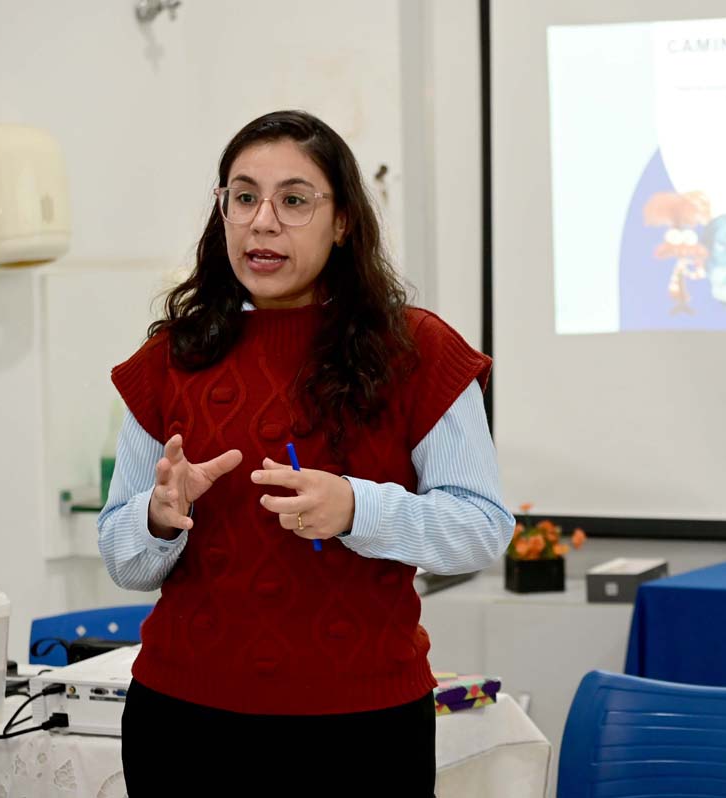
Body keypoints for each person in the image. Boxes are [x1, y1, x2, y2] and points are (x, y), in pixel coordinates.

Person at [97, 110, 513, 796]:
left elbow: (481, 528)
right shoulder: (172, 356)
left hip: (360, 729)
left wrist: (356, 509)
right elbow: (123, 558)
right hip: (182, 722)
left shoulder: (417, 350)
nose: (262, 222)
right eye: (243, 197)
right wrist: (157, 517)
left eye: (293, 201)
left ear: (343, 221)